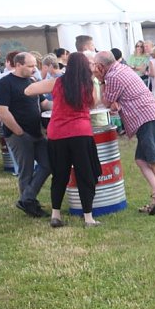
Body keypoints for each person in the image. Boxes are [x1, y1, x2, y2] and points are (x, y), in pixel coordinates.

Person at [24, 53, 101, 227]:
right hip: (81, 133)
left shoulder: (57, 82)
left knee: (59, 175)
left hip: (57, 134)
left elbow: (28, 90)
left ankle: (56, 215)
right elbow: (94, 103)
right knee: (85, 175)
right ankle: (88, 217)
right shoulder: (88, 85)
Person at [95, 50, 155, 215]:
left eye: (95, 65)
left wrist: (101, 81)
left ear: (100, 66)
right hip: (150, 117)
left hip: (147, 119)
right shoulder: (123, 68)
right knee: (141, 160)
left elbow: (106, 102)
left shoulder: (112, 77)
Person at [0, 52, 52, 215]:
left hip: (37, 132)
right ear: (18, 64)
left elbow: (45, 103)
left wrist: (66, 104)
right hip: (18, 134)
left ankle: (26, 198)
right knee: (25, 170)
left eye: (35, 65)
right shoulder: (5, 83)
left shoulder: (32, 81)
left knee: (48, 163)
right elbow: (2, 111)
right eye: (30, 66)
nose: (34, 69)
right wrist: (19, 131)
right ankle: (30, 205)